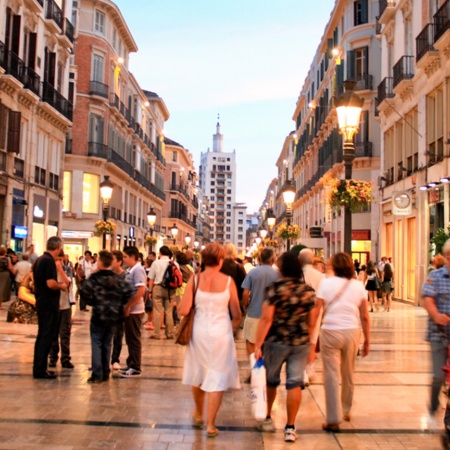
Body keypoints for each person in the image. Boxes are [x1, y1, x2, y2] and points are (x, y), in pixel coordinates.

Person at [179, 243, 242, 438]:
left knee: (198, 371)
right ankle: (211, 424)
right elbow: (237, 312)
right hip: (221, 332)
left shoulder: (195, 280)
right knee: (217, 375)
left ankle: (198, 413)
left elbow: (182, 310)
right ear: (221, 260)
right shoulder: (228, 281)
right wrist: (231, 328)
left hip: (199, 331)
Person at [254, 252, 316, 442]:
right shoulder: (308, 291)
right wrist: (311, 346)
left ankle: (267, 418)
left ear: (282, 269)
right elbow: (312, 322)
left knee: (271, 380)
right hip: (300, 342)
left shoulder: (274, 290)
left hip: (276, 341)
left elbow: (266, 319)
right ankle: (290, 427)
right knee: (294, 383)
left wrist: (258, 345)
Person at [311, 252, 370, 431]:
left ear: (333, 266)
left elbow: (317, 309)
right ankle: (346, 409)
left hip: (330, 331)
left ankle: (333, 418)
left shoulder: (325, 284)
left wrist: (310, 332)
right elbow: (365, 316)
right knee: (348, 372)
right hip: (352, 331)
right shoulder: (358, 286)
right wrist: (367, 339)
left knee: (330, 374)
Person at [80, 250, 133, 382]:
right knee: (107, 343)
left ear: (101, 262)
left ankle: (97, 373)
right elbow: (128, 291)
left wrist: (92, 301)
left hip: (99, 314)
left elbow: (84, 290)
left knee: (97, 342)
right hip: (113, 316)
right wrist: (119, 304)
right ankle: (105, 371)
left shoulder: (95, 278)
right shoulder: (116, 278)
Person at [422, 238, 450, 431]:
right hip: (438, 333)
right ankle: (432, 408)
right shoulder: (436, 276)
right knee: (438, 375)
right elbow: (427, 299)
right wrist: (437, 315)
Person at [32, 237, 69, 379]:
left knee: (43, 336)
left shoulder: (40, 259)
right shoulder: (48, 261)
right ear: (58, 248)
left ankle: (40, 368)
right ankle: (40, 370)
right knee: (46, 336)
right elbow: (50, 283)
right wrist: (61, 286)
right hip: (48, 304)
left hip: (42, 302)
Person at [241, 247, 279, 380]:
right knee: (268, 343)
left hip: (254, 312)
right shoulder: (277, 274)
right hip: (272, 316)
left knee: (251, 342)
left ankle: (255, 369)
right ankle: (267, 369)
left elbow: (245, 293)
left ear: (259, 259)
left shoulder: (252, 273)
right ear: (273, 259)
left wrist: (246, 305)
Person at [298, 248, 325, 384]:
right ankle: (310, 370)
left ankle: (302, 372)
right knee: (313, 340)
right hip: (316, 310)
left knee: (301, 340)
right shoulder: (320, 276)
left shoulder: (297, 274)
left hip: (299, 312)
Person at [120, 246, 147, 377]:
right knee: (130, 338)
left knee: (134, 339)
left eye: (125, 257)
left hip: (135, 311)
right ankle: (131, 363)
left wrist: (129, 306)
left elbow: (141, 291)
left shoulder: (138, 270)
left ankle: (135, 366)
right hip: (130, 309)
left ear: (132, 257)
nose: (123, 260)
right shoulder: (130, 270)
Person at [48, 250, 74, 369]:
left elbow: (67, 283)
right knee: (53, 334)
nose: (58, 262)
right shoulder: (49, 270)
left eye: (60, 259)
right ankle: (53, 357)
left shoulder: (67, 269)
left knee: (65, 333)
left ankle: (65, 358)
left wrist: (60, 269)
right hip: (53, 306)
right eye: (56, 259)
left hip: (65, 306)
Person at [148, 246, 177, 340]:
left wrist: (150, 291)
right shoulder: (174, 263)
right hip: (170, 290)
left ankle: (156, 334)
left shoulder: (155, 263)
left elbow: (151, 278)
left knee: (157, 311)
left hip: (158, 287)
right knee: (169, 311)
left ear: (160, 253)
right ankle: (169, 334)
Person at [110, 250, 127, 370]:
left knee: (117, 335)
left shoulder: (125, 276)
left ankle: (115, 359)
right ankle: (102, 359)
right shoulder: (107, 274)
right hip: (106, 310)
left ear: (119, 262)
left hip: (119, 310)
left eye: (113, 260)